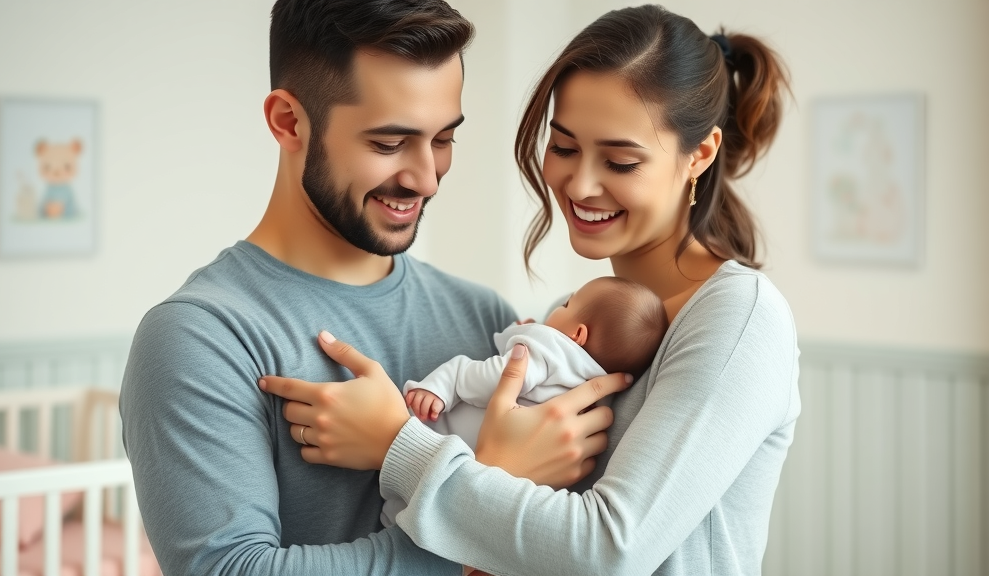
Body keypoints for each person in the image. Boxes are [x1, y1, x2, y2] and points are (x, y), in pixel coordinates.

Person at [260, 4, 801, 575]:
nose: (581, 185)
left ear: (701, 155)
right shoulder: (565, 326)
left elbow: (610, 551)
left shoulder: (738, 318)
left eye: (620, 161)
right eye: (563, 148)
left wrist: (398, 445)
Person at [118, 1, 627, 575]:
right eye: (389, 143)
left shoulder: (483, 316)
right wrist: (487, 497)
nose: (427, 178)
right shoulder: (197, 338)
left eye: (443, 139)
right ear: (288, 122)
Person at [382, 276, 668, 526]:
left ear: (578, 334)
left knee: (459, 371)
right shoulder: (602, 396)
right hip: (494, 491)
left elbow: (485, 379)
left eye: (566, 304)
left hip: (440, 441)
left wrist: (442, 386)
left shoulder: (547, 351)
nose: (558, 308)